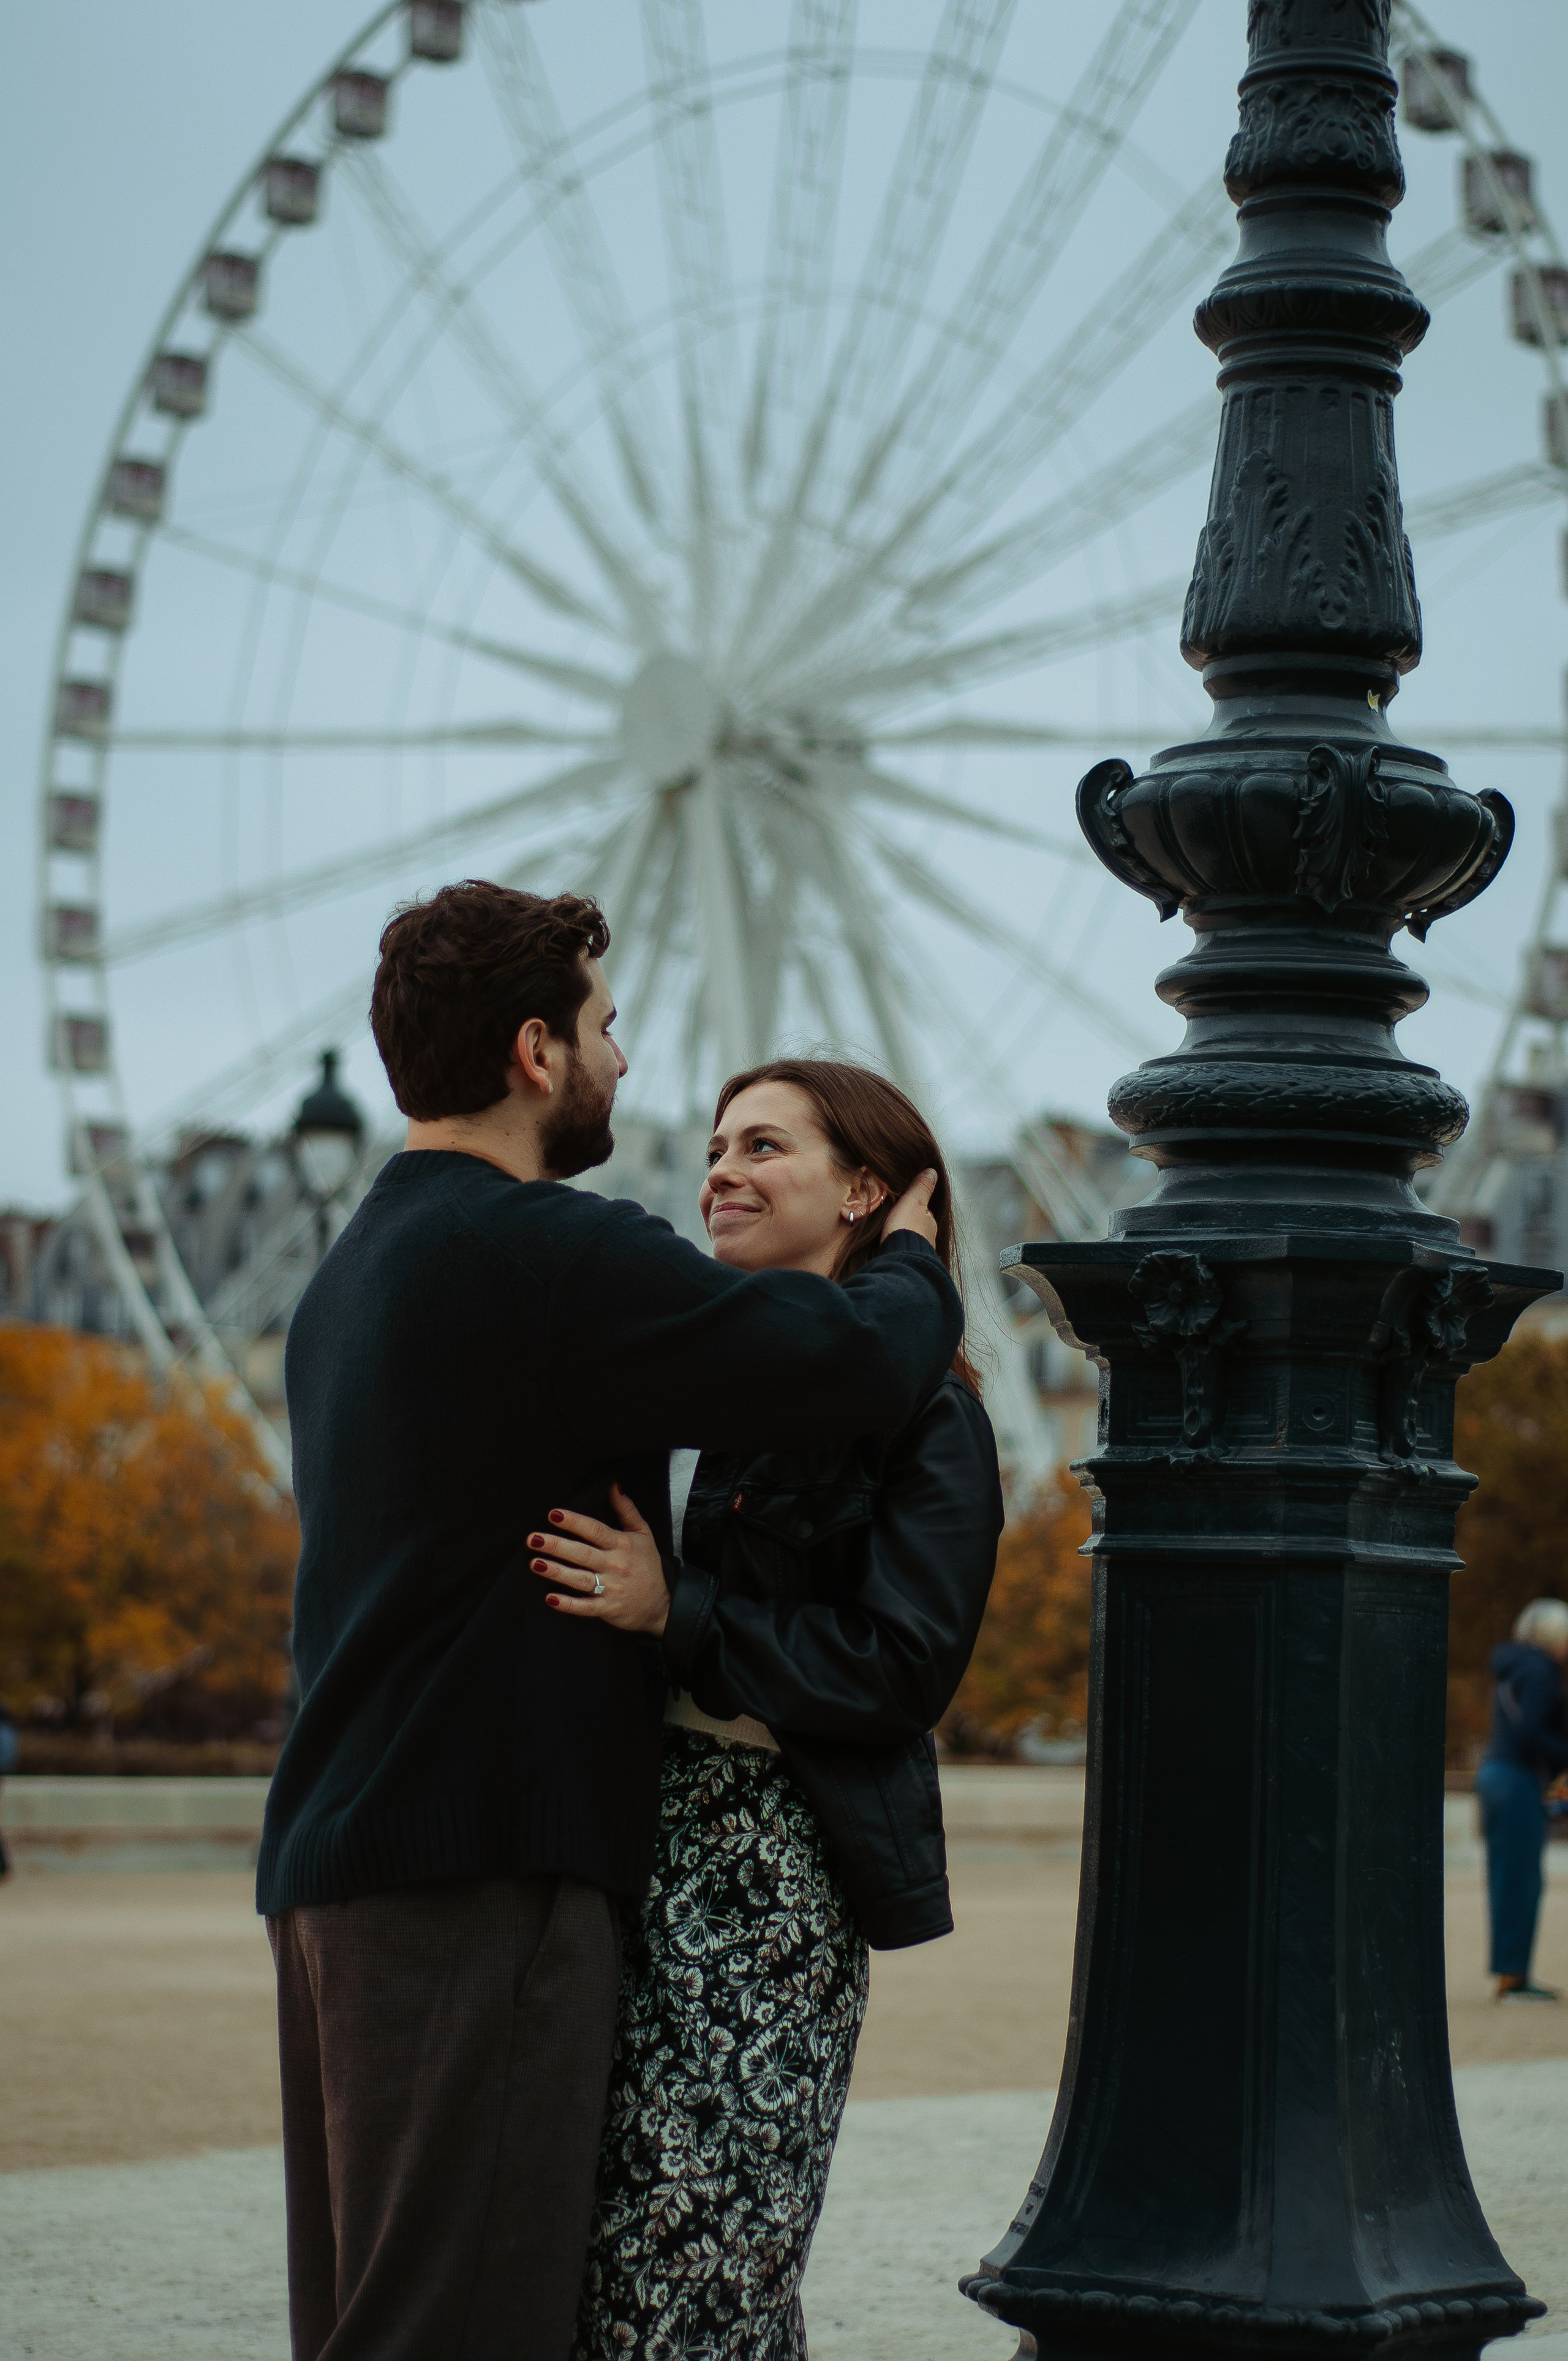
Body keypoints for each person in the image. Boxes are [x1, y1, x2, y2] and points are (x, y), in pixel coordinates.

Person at [258, 886, 962, 2361]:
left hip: (338, 1854)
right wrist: (906, 1246)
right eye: (604, 1026)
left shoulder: (348, 1273)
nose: (625, 1062)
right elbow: (849, 1364)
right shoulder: (544, 1253)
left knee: (376, 2312)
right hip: (480, 1858)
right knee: (464, 2321)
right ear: (536, 1051)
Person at [530, 1058, 1005, 2361]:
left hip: (773, 1871)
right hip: (630, 1845)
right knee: (624, 2265)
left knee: (698, 2267)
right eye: (715, 1148)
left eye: (763, 1146)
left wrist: (674, 1610)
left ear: (862, 1190)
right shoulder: (700, 1386)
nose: (721, 1172)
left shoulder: (932, 1418)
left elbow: (901, 1670)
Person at [1476, 1596, 1568, 2003]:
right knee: (1523, 1879)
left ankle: (1510, 1973)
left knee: (1505, 1876)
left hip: (1495, 1774)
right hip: (1517, 1779)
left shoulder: (1511, 1665)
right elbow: (1532, 1730)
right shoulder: (1539, 1669)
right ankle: (1514, 1979)